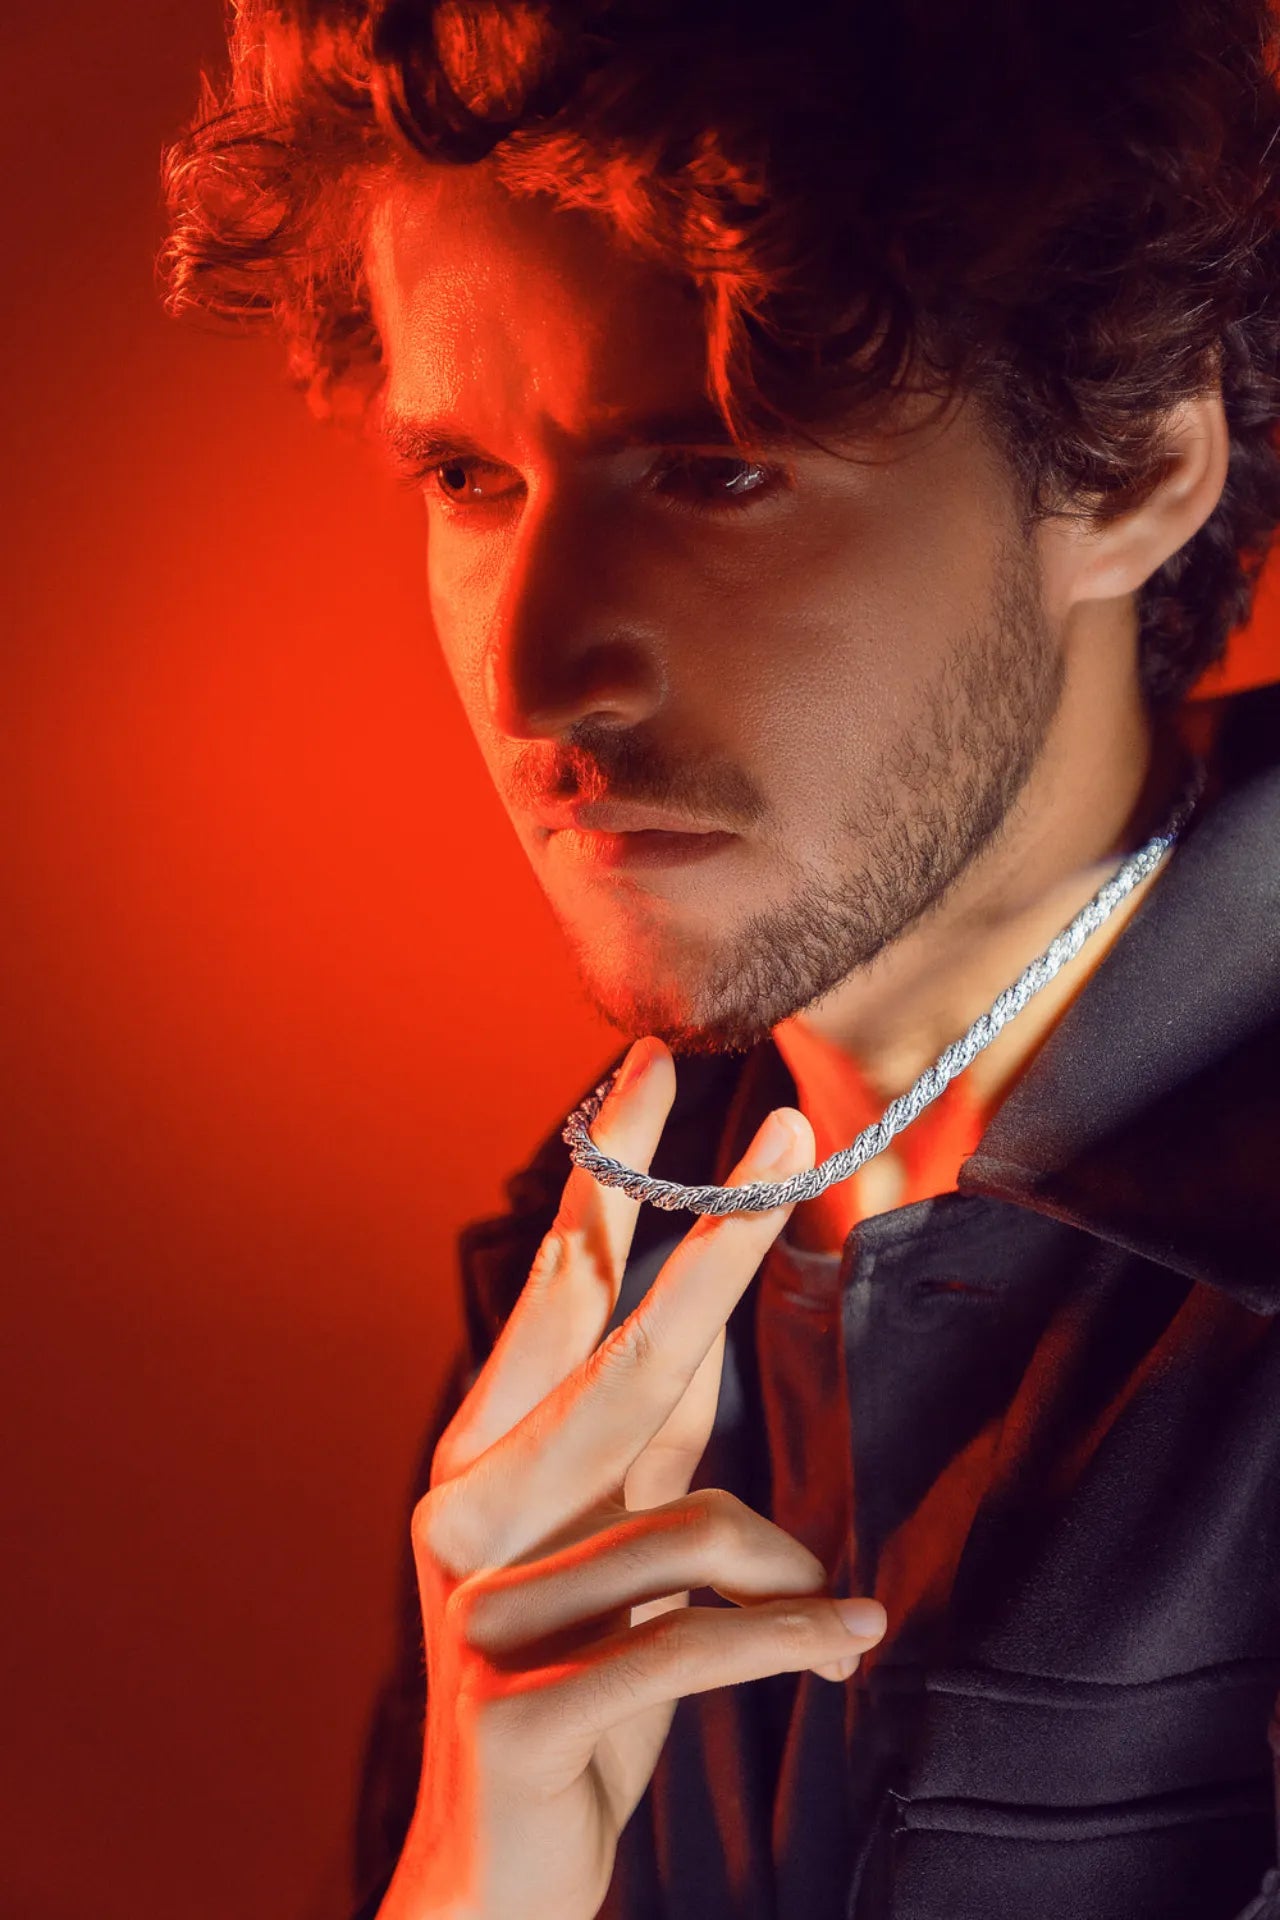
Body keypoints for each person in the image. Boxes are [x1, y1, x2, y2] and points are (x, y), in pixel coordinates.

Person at [160, 3, 1280, 1915]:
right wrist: (470, 1885)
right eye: (467, 479)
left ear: (1122, 479)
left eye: (711, 467)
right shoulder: (582, 1293)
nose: (538, 677)